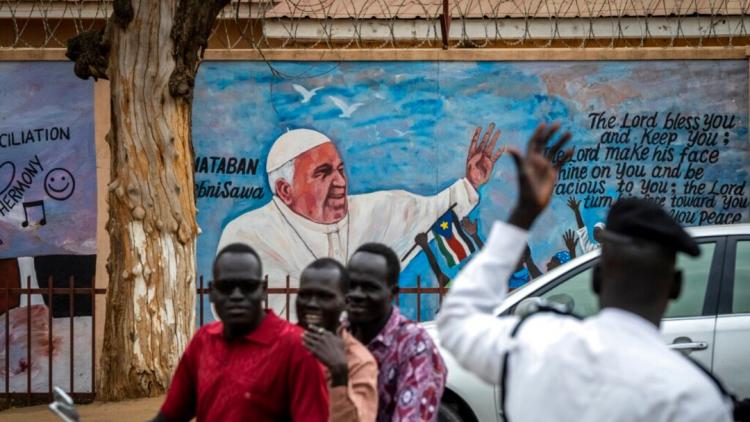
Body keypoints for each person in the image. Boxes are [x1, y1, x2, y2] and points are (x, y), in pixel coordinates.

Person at [438, 123, 733, 421]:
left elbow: (455, 322)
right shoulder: (693, 396)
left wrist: (523, 215)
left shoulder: (536, 344)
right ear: (676, 287)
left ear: (595, 277)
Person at [217, 124, 503, 317]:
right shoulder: (248, 235)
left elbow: (429, 211)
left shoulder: (372, 212)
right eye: (323, 173)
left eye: (340, 170)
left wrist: (470, 184)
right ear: (284, 190)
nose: (341, 182)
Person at [153, 243, 329, 422]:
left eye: (247, 286)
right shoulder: (203, 341)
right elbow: (169, 417)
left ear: (262, 292)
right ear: (213, 293)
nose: (237, 295)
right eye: (226, 287)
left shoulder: (297, 348)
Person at [347, 243, 446, 422]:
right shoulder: (336, 334)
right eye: (351, 285)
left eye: (369, 287)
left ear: (392, 293)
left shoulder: (416, 346)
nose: (356, 294)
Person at [296, 258, 378, 422]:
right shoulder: (278, 344)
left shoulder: (359, 361)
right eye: (305, 295)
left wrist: (339, 374)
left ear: (345, 302)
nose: (311, 304)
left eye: (324, 297)